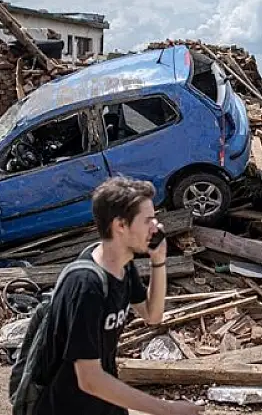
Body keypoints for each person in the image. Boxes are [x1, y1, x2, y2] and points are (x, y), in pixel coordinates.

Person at [34, 176, 203, 415]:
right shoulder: (86, 286)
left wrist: (158, 261)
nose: (156, 227)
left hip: (105, 401)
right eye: (148, 220)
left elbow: (153, 316)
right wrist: (167, 409)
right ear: (120, 225)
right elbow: (89, 379)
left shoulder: (124, 267)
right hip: (68, 407)